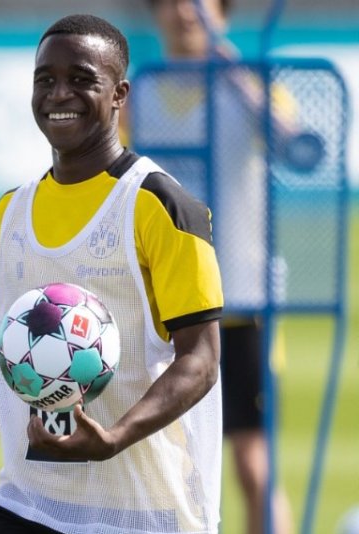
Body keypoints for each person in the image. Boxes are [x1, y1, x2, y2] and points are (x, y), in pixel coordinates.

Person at [0, 13, 224, 534]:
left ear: (119, 93)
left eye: (81, 79)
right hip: (29, 504)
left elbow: (201, 359)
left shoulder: (160, 205)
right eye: (45, 79)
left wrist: (113, 436)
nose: (59, 94)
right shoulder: (12, 212)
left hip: (143, 513)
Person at [136, 1, 294, 533]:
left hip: (241, 297)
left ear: (225, 14)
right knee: (163, 466)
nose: (186, 13)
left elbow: (296, 148)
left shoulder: (250, 86)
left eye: (201, 3)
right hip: (162, 301)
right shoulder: (141, 91)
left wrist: (235, 74)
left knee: (253, 465)